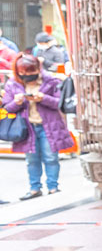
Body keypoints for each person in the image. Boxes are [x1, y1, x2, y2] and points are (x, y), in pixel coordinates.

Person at [3, 54, 73, 200]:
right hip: (26, 127)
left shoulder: (51, 81)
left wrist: (43, 98)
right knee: (31, 159)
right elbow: (8, 107)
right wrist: (17, 102)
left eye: (31, 72)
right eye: (23, 73)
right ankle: (35, 188)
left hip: (49, 125)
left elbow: (59, 103)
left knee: (51, 157)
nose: (27, 76)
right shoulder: (13, 84)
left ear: (37, 69)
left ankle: (53, 186)